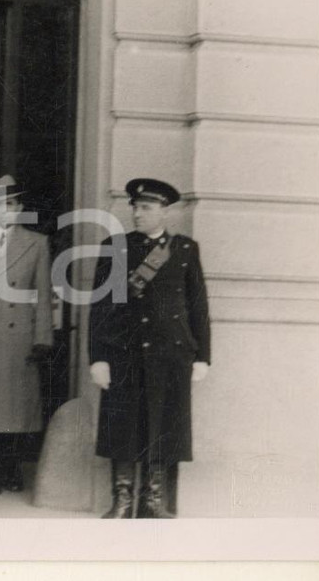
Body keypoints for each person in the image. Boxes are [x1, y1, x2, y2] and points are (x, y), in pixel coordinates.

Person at [88, 178, 211, 519]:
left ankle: (153, 499)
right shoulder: (114, 247)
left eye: (146, 207)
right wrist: (97, 357)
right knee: (123, 424)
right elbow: (100, 308)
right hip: (123, 352)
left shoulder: (185, 250)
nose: (137, 214)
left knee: (164, 424)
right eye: (135, 207)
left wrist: (203, 357)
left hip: (170, 353)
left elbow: (197, 305)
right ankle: (123, 499)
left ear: (164, 211)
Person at [0, 175, 53, 498]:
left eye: (11, 205)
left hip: (20, 336)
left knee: (17, 410)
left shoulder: (37, 242)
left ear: (20, 208)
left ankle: (11, 467)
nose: (5, 211)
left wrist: (43, 338)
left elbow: (43, 294)